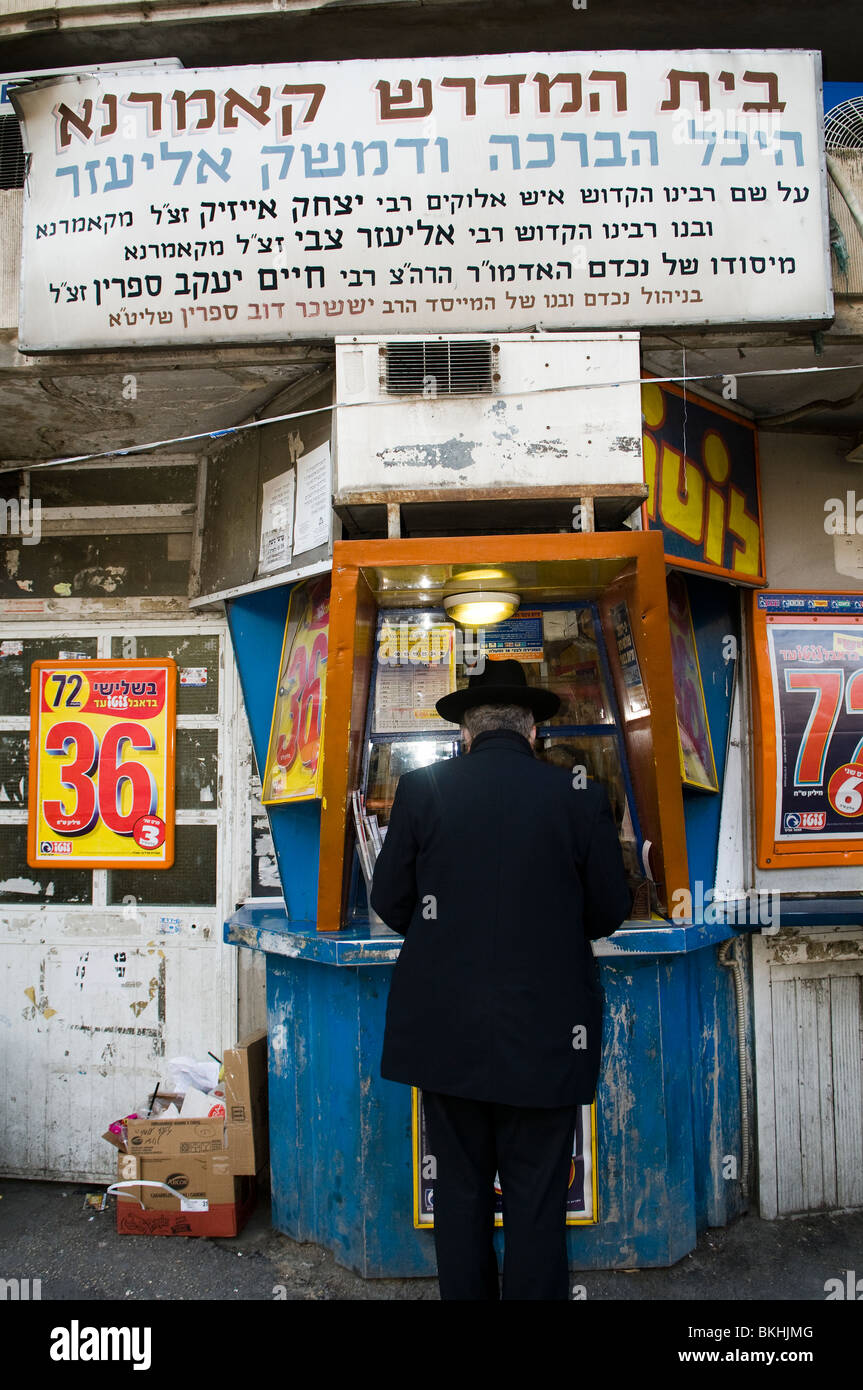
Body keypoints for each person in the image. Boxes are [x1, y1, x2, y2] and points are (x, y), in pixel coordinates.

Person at [370, 657, 632, 1301]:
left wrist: (447, 938)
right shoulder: (577, 795)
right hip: (548, 1031)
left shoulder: (422, 790)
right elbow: (608, 911)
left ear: (465, 732)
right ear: (533, 730)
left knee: (459, 1192)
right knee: (537, 1197)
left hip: (444, 1028)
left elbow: (390, 899)